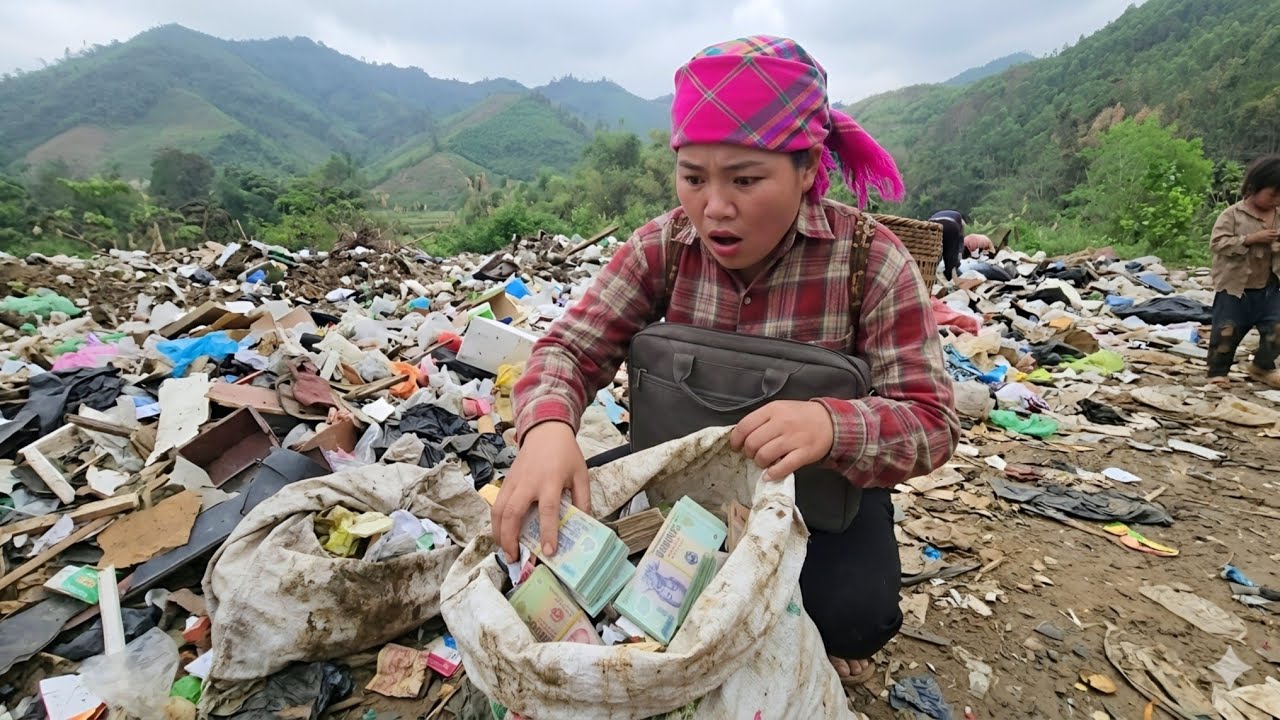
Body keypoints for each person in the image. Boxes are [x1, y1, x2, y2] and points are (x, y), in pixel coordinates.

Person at [491, 35, 959, 684]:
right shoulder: (664, 246)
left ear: (806, 168)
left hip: (810, 508)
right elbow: (569, 347)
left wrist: (831, 426)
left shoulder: (870, 263)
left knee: (855, 617)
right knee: (545, 551)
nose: (714, 207)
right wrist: (546, 428)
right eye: (693, 178)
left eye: (745, 179)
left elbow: (931, 421)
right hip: (672, 492)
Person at [1207, 154, 1280, 388]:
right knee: (1226, 333)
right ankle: (1218, 372)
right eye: (1272, 194)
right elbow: (1217, 243)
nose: (1276, 200)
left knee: (1277, 329)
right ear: (1253, 188)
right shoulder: (1232, 215)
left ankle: (1261, 366)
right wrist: (1250, 239)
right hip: (1235, 287)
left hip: (1270, 286)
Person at [929, 209, 966, 279]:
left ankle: (929, 274)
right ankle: (950, 276)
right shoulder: (959, 219)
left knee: (933, 253)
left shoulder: (951, 214)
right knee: (951, 254)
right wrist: (960, 252)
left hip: (931, 224)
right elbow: (960, 238)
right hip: (949, 224)